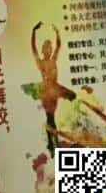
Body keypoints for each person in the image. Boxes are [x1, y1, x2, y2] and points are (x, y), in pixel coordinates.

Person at [31, 22, 76, 152]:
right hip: (46, 93)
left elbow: (59, 45)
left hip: (55, 90)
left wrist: (57, 33)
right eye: (47, 48)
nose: (49, 50)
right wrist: (33, 32)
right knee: (50, 118)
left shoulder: (53, 59)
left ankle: (53, 142)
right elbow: (33, 49)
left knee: (72, 97)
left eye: (50, 48)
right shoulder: (40, 62)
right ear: (43, 50)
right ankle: (52, 142)